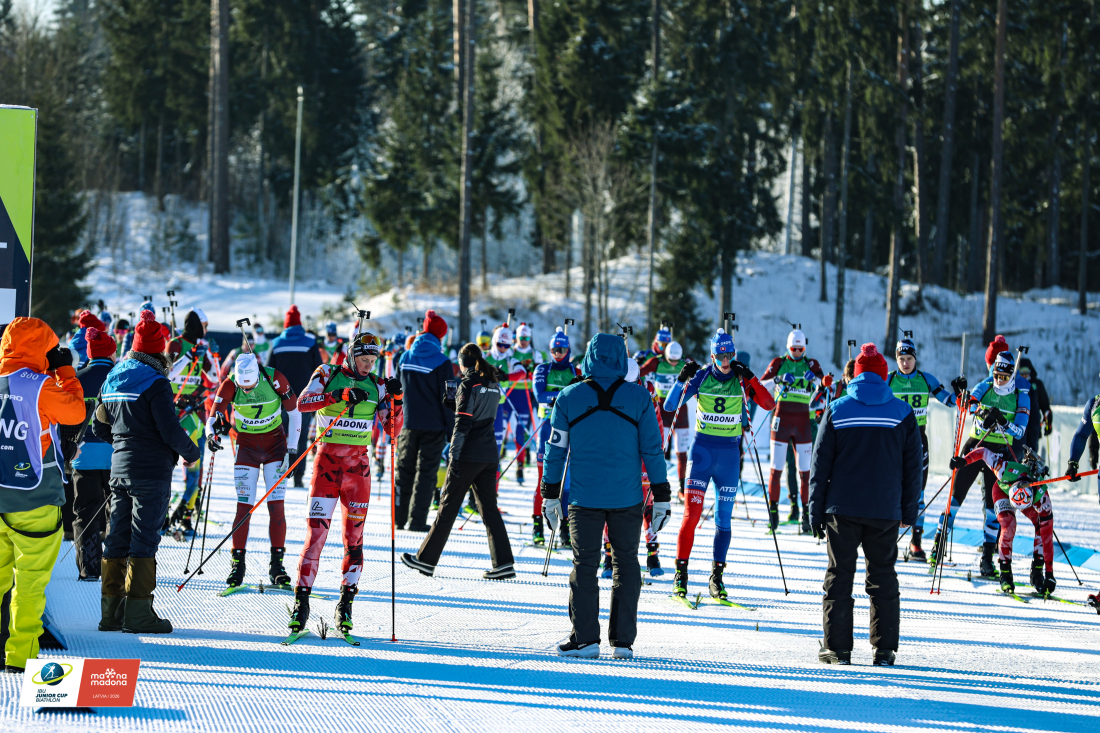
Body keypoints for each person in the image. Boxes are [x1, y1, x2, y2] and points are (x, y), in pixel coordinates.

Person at [541, 333, 671, 659]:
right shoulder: (640, 397)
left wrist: (550, 494)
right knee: (627, 562)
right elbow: (653, 450)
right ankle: (623, 642)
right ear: (621, 358)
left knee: (585, 564)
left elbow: (555, 452)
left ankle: (585, 639)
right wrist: (662, 495)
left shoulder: (568, 396)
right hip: (627, 498)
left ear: (588, 357)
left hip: (584, 498)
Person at [809, 343, 922, 667]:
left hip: (841, 509)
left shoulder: (837, 409)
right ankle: (884, 649)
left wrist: (815, 511)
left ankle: (837, 649)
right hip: (885, 509)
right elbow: (913, 468)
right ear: (884, 376)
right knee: (883, 576)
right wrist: (909, 511)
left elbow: (820, 464)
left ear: (856, 376)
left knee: (839, 575)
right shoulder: (903, 412)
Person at [93, 310, 201, 634]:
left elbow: (99, 426)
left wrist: (123, 443)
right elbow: (170, 430)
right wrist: (192, 453)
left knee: (117, 535)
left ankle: (111, 614)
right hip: (151, 472)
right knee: (144, 538)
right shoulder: (156, 382)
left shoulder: (113, 377)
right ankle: (138, 614)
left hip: (119, 470)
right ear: (158, 351)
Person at [289, 331, 399, 637]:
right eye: (363, 359)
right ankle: (301, 603)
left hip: (357, 472)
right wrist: (338, 396)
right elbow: (302, 403)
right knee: (316, 536)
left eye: (373, 360)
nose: (368, 365)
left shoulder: (378, 385)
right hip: (326, 467)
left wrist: (398, 399)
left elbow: (393, 430)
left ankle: (346, 605)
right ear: (351, 355)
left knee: (354, 539)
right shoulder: (327, 373)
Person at [663, 329, 775, 604]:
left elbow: (769, 403)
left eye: (729, 355)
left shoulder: (740, 379)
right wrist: (682, 379)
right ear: (712, 356)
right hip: (702, 454)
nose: (725, 361)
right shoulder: (702, 376)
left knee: (723, 520)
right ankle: (681, 576)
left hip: (728, 458)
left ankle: (717, 578)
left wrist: (750, 376)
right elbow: (670, 406)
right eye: (720, 356)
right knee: (692, 516)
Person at [0, 318, 84, 673]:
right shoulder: (41, 386)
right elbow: (75, 411)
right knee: (30, 582)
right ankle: (20, 658)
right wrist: (64, 370)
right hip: (33, 499)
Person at [401, 343, 515, 579]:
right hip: (488, 454)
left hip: (468, 454)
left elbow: (463, 422)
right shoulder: (493, 383)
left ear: (462, 364)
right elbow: (476, 412)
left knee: (448, 506)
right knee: (489, 510)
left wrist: (453, 453)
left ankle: (425, 560)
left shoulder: (467, 383)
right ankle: (504, 563)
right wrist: (454, 403)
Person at [206, 353, 302, 590]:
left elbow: (295, 412)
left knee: (276, 506)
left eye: (250, 386)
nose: (247, 391)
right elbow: (213, 417)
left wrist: (292, 449)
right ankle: (237, 565)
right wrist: (211, 435)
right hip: (247, 448)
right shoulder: (230, 384)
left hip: (275, 447)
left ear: (257, 376)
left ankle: (277, 566)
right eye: (243, 387)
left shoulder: (274, 378)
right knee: (244, 507)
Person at [930, 350, 1030, 576]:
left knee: (993, 507)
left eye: (1004, 377)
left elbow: (1020, 431)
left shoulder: (1020, 396)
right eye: (996, 376)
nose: (999, 381)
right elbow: (970, 404)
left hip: (999, 454)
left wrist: (1002, 421)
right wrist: (968, 401)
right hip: (976, 447)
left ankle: (986, 558)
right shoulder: (985, 386)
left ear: (1011, 376)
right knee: (955, 498)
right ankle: (938, 545)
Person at [885, 336, 956, 561]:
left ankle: (916, 542)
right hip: (895, 440)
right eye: (901, 359)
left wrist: (961, 392)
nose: (905, 363)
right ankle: (888, 538)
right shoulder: (889, 379)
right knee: (892, 489)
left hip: (918, 440)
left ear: (915, 359)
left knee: (919, 491)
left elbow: (949, 401)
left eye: (909, 358)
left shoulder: (926, 379)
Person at [949, 447, 1055, 595]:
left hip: (1028, 500)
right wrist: (964, 461)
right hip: (1003, 491)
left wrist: (1049, 573)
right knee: (1008, 525)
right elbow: (983, 452)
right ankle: (1005, 574)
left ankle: (1037, 572)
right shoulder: (1004, 470)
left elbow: (1047, 536)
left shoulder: (1042, 498)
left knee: (1041, 526)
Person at [761, 329, 831, 534]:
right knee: (776, 469)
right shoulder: (779, 363)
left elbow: (826, 387)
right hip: (781, 419)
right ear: (788, 347)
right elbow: (760, 384)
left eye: (801, 349)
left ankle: (806, 516)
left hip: (802, 421)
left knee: (805, 472)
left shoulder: (811, 364)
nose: (798, 352)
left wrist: (816, 380)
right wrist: (778, 379)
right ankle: (774, 513)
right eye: (794, 349)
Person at [394, 310, 455, 531]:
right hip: (434, 426)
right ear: (441, 336)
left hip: (407, 424)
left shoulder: (404, 357)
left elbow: (396, 391)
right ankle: (417, 521)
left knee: (404, 470)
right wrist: (452, 430)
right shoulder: (443, 361)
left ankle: (398, 518)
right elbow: (449, 399)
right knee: (426, 473)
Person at [70, 327, 118, 580]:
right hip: (115, 456)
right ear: (110, 353)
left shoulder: (76, 378)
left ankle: (89, 568)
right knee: (117, 511)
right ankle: (114, 566)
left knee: (85, 512)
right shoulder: (118, 377)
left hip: (83, 455)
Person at [164, 308, 216, 533]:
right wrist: (188, 357)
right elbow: (167, 372)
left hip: (194, 416)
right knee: (166, 467)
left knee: (195, 467)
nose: (206, 330)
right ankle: (163, 514)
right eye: (205, 326)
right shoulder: (175, 344)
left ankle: (186, 513)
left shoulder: (201, 347)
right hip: (173, 412)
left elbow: (213, 378)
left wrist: (210, 357)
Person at [531, 327, 578, 546]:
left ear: (568, 350)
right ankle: (538, 526)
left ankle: (565, 529)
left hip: (568, 431)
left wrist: (557, 397)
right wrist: (565, 396)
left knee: (567, 483)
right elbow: (540, 395)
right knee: (544, 479)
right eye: (554, 350)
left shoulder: (576, 372)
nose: (558, 354)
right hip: (546, 430)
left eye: (561, 350)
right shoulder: (542, 369)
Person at [267, 305, 324, 487]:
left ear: (285, 324)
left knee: (279, 436)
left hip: (280, 399)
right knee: (300, 437)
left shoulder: (276, 343)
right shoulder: (311, 342)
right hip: (304, 400)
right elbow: (320, 371)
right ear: (299, 324)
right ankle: (298, 475)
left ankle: (278, 473)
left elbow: (268, 372)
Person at [639, 340, 689, 500]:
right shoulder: (657, 362)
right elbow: (638, 373)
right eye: (670, 360)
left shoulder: (685, 363)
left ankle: (682, 489)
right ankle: (658, 486)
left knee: (682, 454)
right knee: (659, 453)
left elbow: (703, 375)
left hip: (681, 412)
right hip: (662, 412)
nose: (674, 363)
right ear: (665, 356)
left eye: (676, 361)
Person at [510, 322, 545, 485]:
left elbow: (538, 373)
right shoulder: (511, 351)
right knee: (502, 430)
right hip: (510, 393)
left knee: (522, 432)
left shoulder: (535, 354)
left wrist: (532, 373)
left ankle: (520, 466)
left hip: (525, 395)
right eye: (521, 338)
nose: (523, 341)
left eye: (526, 338)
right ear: (516, 337)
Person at [1017, 357, 1052, 452]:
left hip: (1033, 426)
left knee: (1031, 454)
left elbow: (1045, 405)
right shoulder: (1013, 384)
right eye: (1022, 372)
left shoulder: (1037, 384)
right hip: (1017, 426)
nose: (1025, 375)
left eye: (1027, 372)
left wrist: (1048, 421)